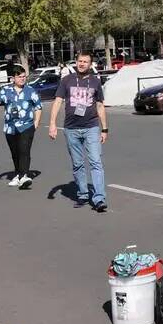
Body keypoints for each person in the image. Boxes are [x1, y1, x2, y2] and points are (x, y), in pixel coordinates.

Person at [48, 53, 109, 212]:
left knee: (96, 162)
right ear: (76, 63)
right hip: (71, 128)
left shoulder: (95, 81)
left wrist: (104, 128)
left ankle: (99, 198)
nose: (82, 64)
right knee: (78, 164)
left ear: (90, 64)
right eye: (80, 61)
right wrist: (52, 124)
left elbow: (100, 106)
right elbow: (58, 101)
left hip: (91, 127)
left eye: (85, 62)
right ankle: (82, 194)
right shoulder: (66, 80)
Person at [0, 66, 42, 189]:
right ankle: (18, 174)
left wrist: (36, 122)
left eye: (24, 76)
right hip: (10, 127)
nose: (22, 79)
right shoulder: (6, 90)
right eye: (19, 77)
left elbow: (38, 107)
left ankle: (24, 176)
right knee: (15, 153)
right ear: (13, 78)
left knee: (24, 150)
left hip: (27, 126)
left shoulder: (30, 90)